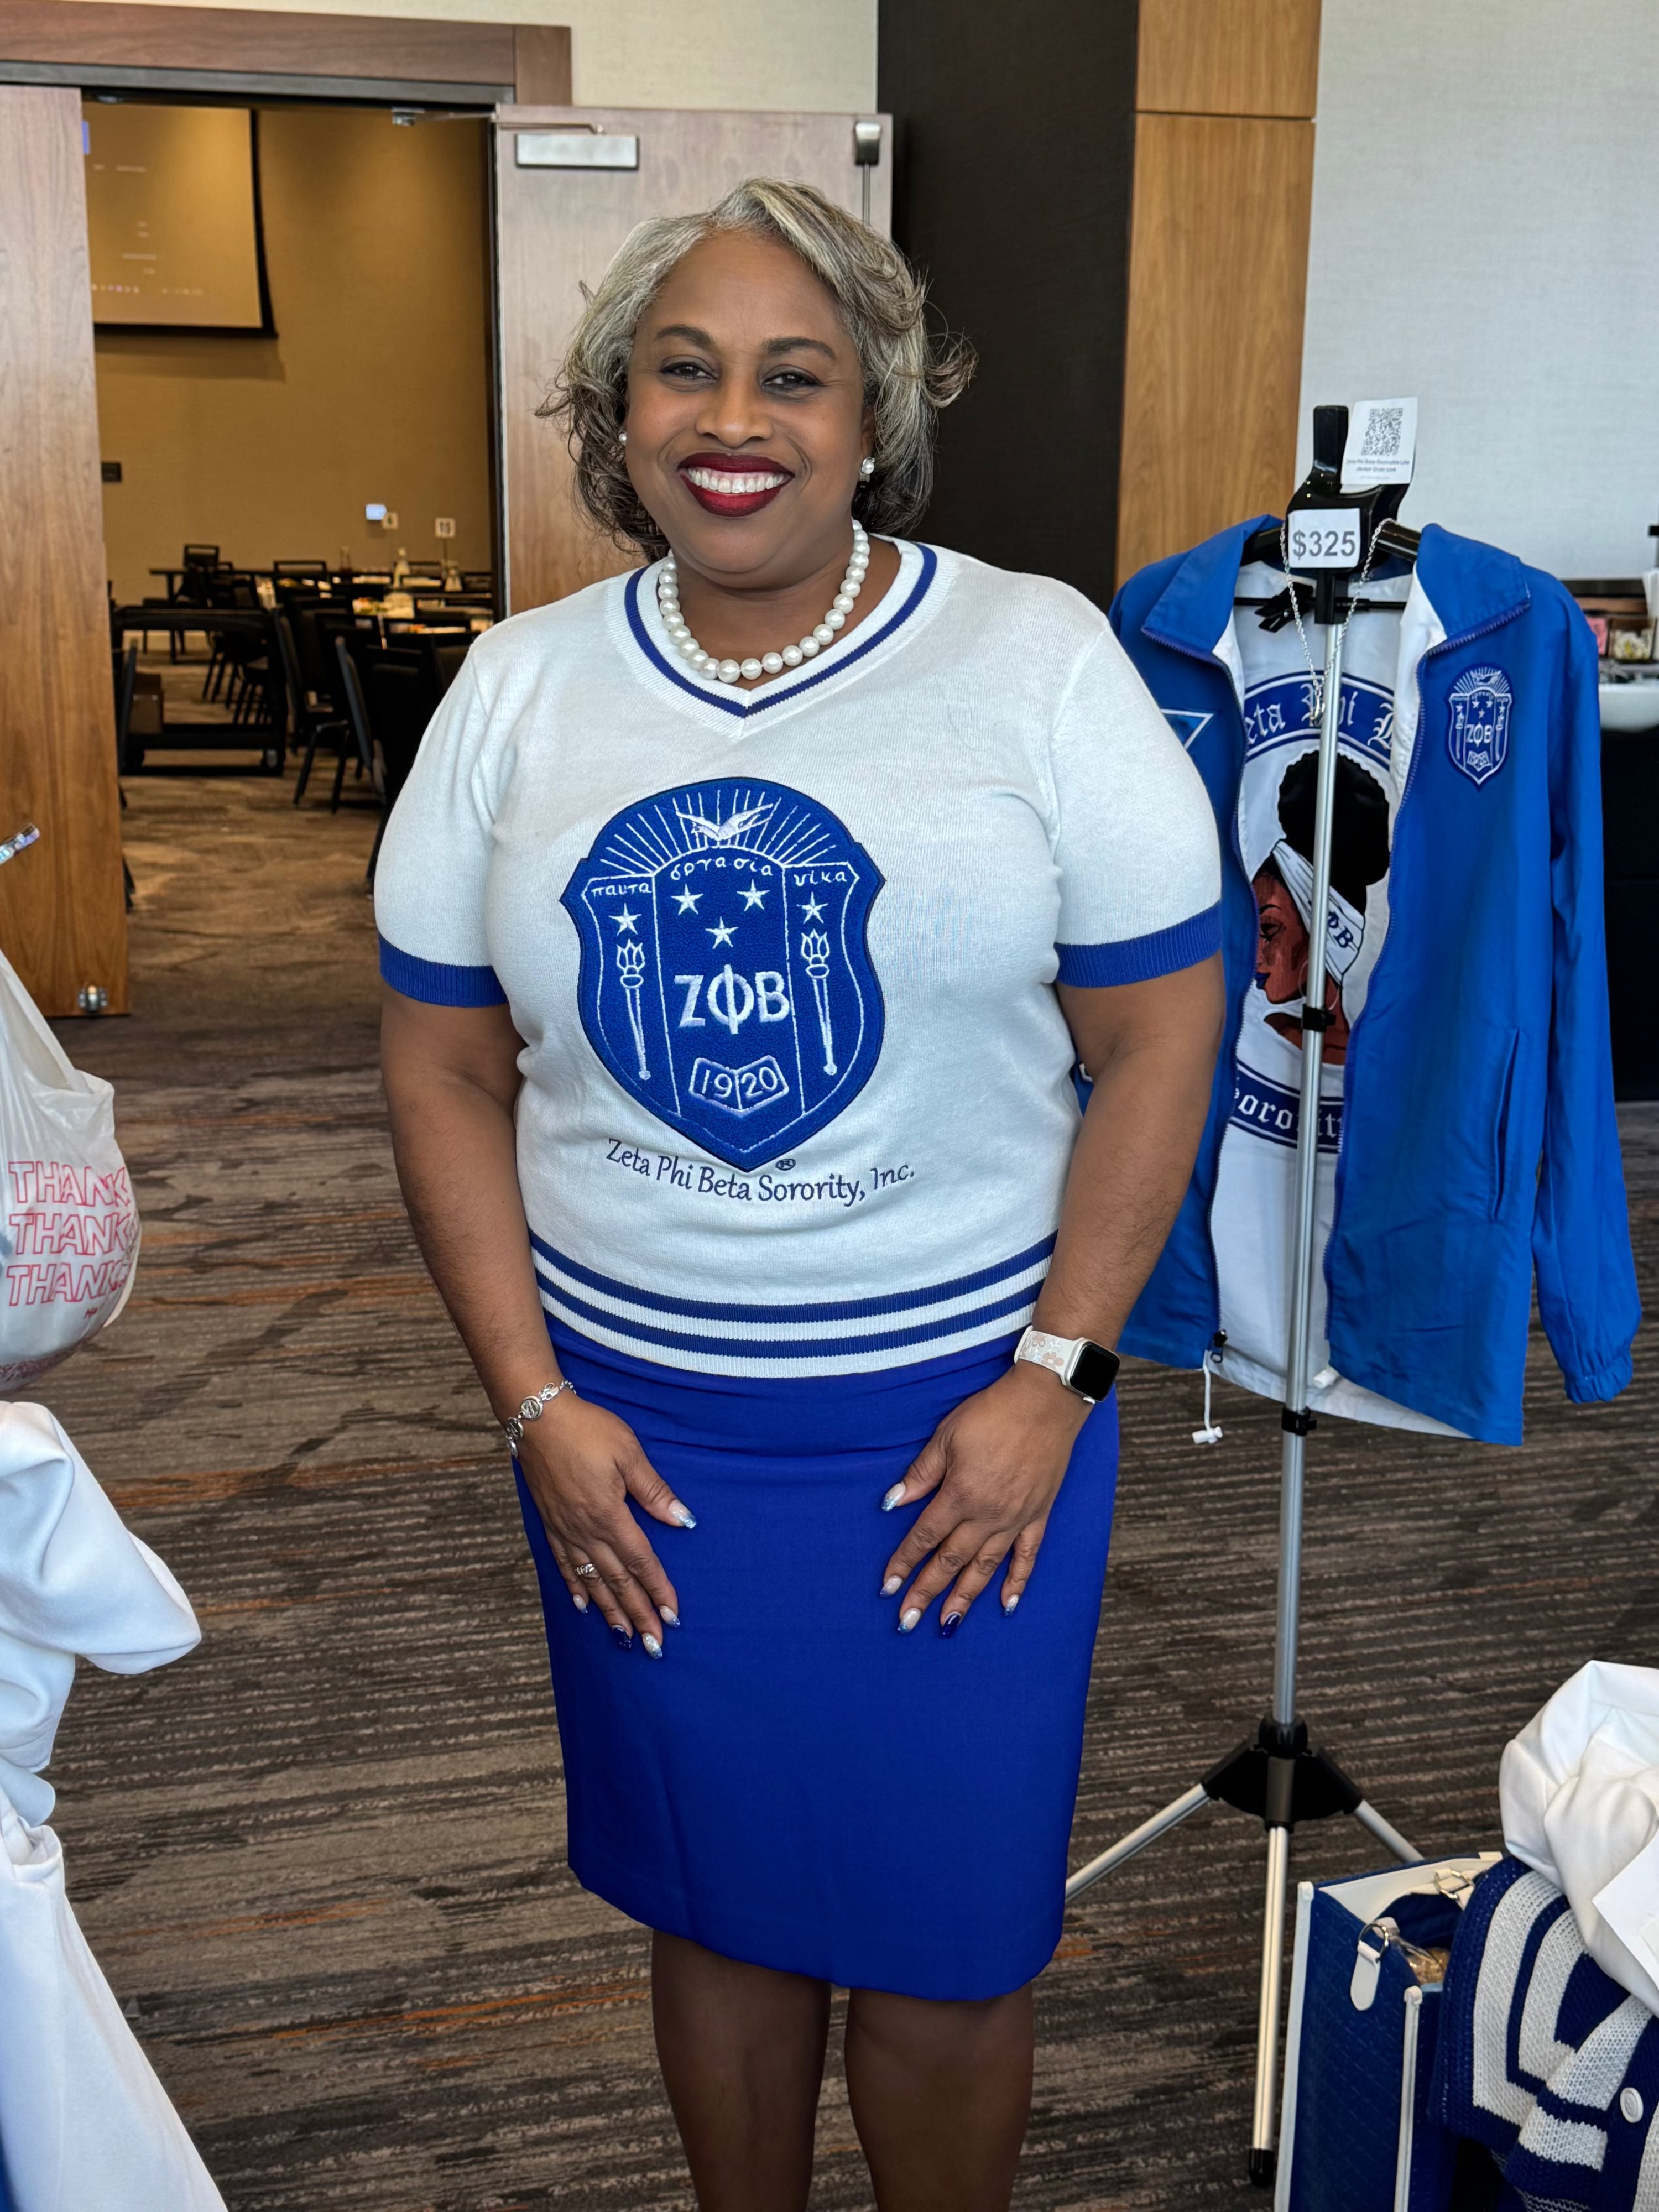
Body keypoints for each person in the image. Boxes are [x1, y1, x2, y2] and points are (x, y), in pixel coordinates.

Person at [376, 179, 1223, 2212]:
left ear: (875, 415)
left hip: (964, 1433)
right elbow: (441, 1059)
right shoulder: (521, 685)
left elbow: (1163, 1043)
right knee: (721, 1906)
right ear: (618, 409)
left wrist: (1056, 1386)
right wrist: (534, 1409)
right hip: (633, 1439)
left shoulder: (1035, 660)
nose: (731, 418)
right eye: (684, 369)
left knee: (946, 1946)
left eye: (792, 375)